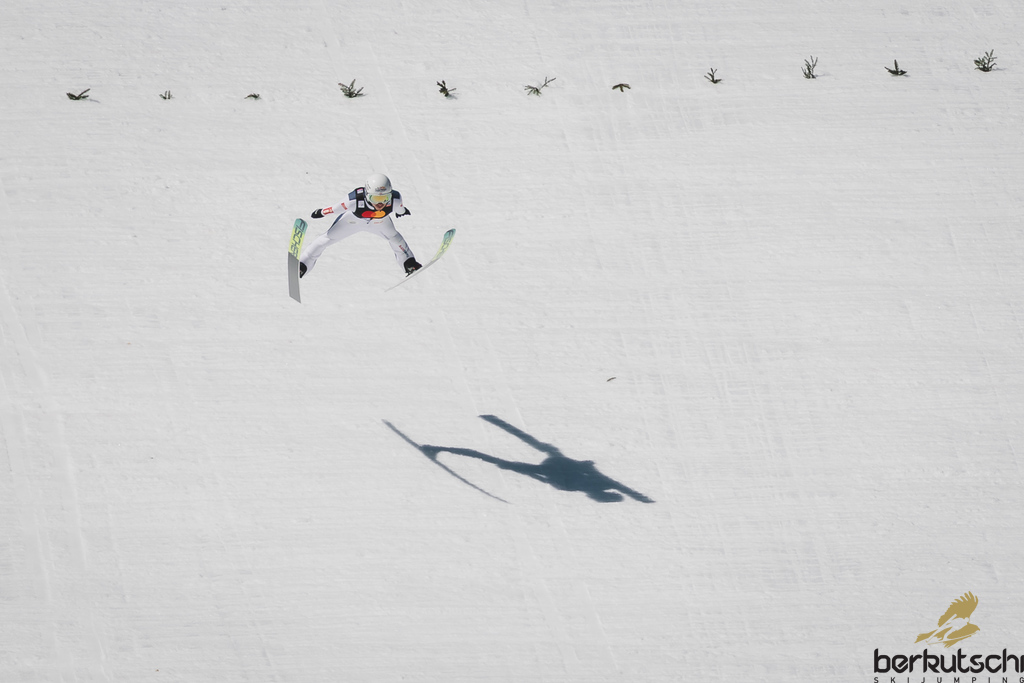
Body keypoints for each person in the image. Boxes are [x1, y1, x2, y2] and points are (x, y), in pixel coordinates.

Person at [298, 173, 421, 278]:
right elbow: (336, 208)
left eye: (385, 198)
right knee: (325, 240)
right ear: (367, 195)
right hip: (352, 222)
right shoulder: (354, 200)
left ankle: (409, 263)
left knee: (395, 238)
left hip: (380, 222)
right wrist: (321, 212)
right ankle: (303, 265)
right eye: (375, 198)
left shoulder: (395, 199)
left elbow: (400, 208)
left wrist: (401, 211)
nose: (380, 204)